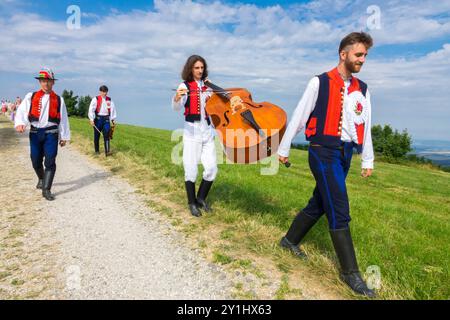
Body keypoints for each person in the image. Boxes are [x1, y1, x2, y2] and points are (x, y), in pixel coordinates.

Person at [277, 32, 376, 297]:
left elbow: (365, 125)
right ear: (343, 54)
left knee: (321, 202)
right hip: (322, 151)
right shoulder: (319, 82)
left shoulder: (363, 89)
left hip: (345, 154)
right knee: (339, 208)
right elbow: (300, 115)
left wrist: (367, 157)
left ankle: (289, 241)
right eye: (358, 54)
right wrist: (284, 146)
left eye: (365, 55)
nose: (362, 60)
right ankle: (350, 274)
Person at [14, 68, 70, 201]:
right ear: (40, 82)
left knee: (50, 161)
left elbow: (63, 119)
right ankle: (41, 177)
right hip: (35, 133)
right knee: (35, 161)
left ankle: (46, 189)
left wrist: (64, 136)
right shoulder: (31, 96)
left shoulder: (59, 99)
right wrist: (20, 123)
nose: (46, 84)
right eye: (43, 81)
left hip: (51, 134)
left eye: (48, 81)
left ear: (53, 83)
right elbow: (22, 111)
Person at [172, 55, 218, 217]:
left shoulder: (208, 86)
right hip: (191, 132)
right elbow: (177, 107)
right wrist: (177, 97)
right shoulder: (184, 85)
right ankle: (191, 203)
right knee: (191, 169)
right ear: (190, 69)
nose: (200, 70)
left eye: (202, 67)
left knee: (212, 168)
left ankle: (201, 198)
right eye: (196, 68)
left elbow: (216, 107)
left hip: (208, 132)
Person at [88, 85, 117, 156]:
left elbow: (113, 109)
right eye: (103, 92)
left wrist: (113, 119)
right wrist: (91, 119)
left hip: (106, 119)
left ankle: (107, 152)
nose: (105, 93)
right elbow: (91, 109)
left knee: (107, 134)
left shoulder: (109, 100)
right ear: (100, 91)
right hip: (98, 119)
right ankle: (97, 151)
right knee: (96, 135)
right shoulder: (96, 99)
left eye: (106, 92)